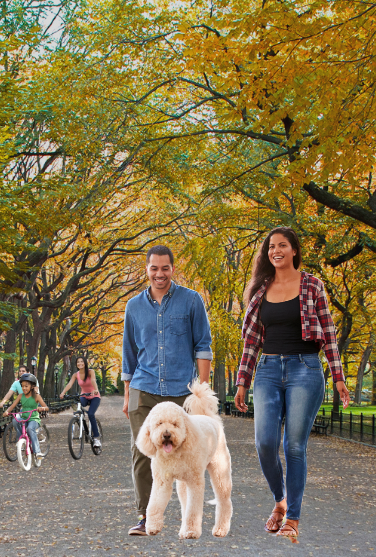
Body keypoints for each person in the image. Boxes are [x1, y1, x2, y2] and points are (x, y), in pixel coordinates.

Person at [234, 227, 350, 541]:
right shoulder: (260, 290)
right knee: (265, 444)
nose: (276, 251)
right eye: (271, 247)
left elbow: (328, 334)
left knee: (294, 446)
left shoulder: (313, 285)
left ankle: (293, 520)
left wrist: (338, 378)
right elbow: (251, 342)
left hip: (305, 370)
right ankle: (280, 500)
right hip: (268, 371)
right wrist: (242, 382)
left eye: (283, 245)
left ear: (294, 250)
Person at [122, 245, 213, 536]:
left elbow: (203, 346)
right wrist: (127, 397)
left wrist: (202, 390)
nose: (159, 274)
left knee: (187, 452)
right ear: (146, 270)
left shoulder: (191, 301)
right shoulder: (133, 307)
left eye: (165, 268)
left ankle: (190, 516)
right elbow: (129, 354)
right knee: (142, 453)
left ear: (173, 269)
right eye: (153, 268)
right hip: (142, 388)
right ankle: (146, 516)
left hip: (180, 392)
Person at [3, 373, 48, 459]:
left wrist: (42, 408)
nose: (24, 388)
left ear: (32, 386)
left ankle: (37, 451)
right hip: (24, 418)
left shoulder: (36, 396)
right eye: (22, 386)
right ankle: (21, 440)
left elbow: (46, 407)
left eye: (26, 386)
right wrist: (7, 411)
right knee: (15, 421)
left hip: (33, 419)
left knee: (30, 429)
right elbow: (12, 406)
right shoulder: (20, 396)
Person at [60, 355, 102, 447]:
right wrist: (63, 392)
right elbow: (70, 384)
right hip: (84, 396)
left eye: (81, 361)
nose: (80, 363)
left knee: (91, 414)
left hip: (94, 396)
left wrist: (95, 390)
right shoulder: (76, 375)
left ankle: (96, 438)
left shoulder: (91, 372)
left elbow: (94, 380)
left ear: (85, 363)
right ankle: (80, 420)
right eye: (78, 362)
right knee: (79, 404)